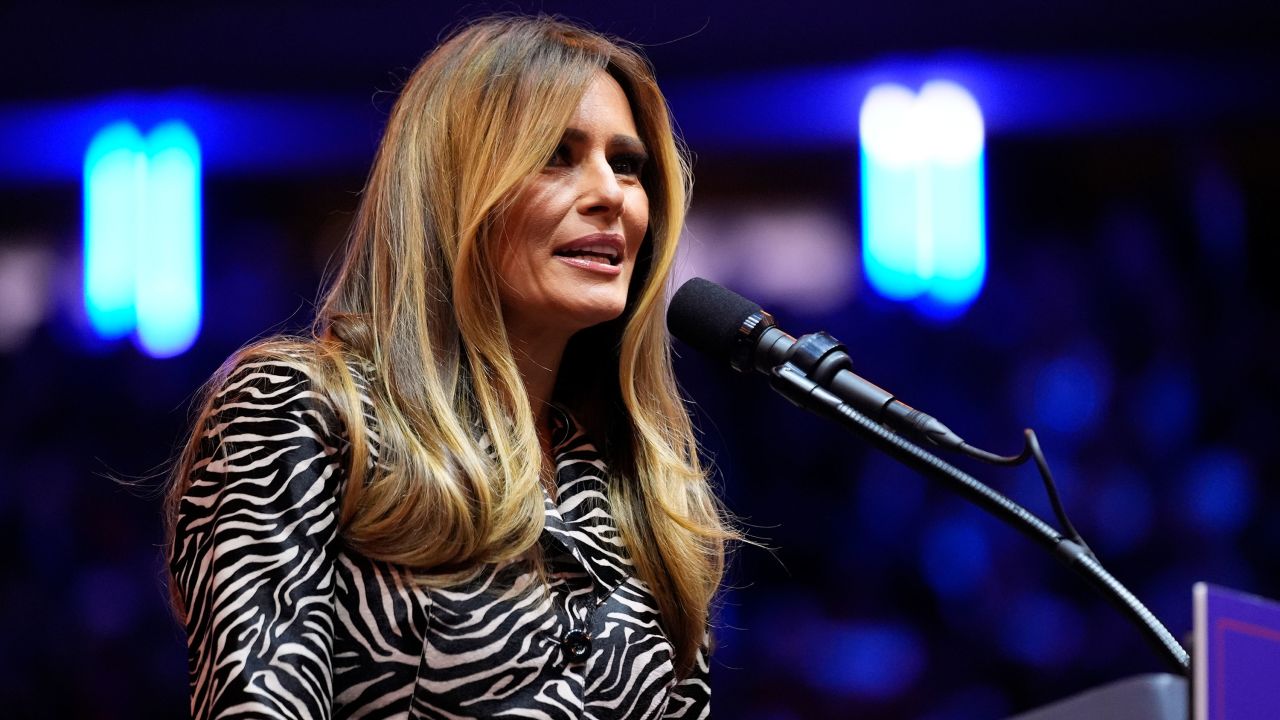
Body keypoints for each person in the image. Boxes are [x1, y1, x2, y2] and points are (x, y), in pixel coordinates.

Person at [164, 15, 738, 720]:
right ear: (451, 188)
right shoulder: (304, 412)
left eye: (628, 165)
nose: (611, 193)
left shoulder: (642, 481)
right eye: (556, 154)